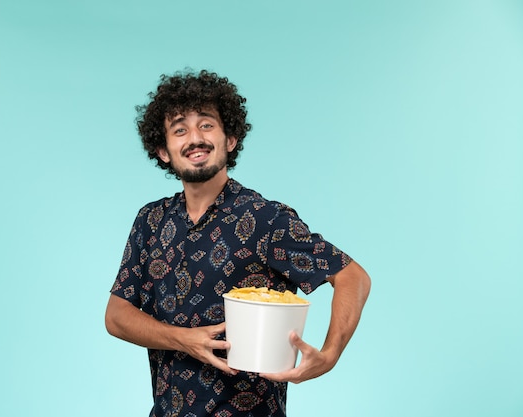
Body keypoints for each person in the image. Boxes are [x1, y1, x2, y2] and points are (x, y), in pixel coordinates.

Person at [105, 69, 371, 417]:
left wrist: (330, 354)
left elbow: (353, 277)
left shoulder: (264, 220)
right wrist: (184, 338)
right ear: (164, 151)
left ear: (230, 139)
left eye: (207, 125)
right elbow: (117, 316)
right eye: (180, 129)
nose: (195, 138)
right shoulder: (151, 221)